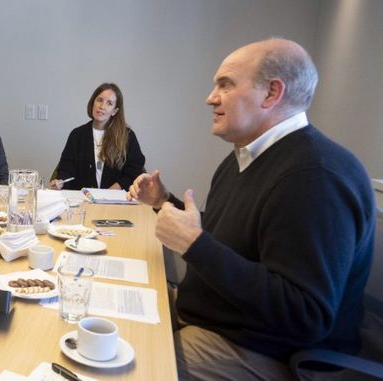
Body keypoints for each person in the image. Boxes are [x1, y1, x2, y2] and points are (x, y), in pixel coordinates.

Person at [129, 38, 375, 380]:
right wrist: (162, 202)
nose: (210, 97)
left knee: (130, 371)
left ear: (271, 93)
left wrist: (194, 245)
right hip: (214, 318)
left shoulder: (315, 177)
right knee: (113, 324)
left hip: (262, 350)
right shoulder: (243, 158)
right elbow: (220, 241)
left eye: (225, 84)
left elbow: (305, 316)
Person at [49, 83, 145, 190]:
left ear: (115, 111)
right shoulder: (77, 135)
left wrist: (111, 192)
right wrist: (61, 181)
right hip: (83, 199)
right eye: (99, 100)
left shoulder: (127, 136)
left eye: (109, 103)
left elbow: (135, 171)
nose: (102, 106)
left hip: (116, 200)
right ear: (93, 102)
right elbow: (67, 168)